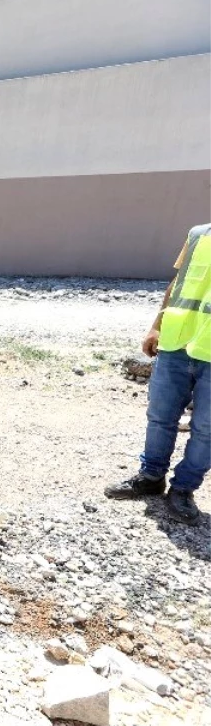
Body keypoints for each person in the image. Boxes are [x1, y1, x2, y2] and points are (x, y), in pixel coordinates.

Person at [103, 224, 211, 525]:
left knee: (207, 429)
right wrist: (156, 324)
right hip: (178, 342)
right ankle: (151, 477)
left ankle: (184, 489)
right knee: (160, 416)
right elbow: (178, 283)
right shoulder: (199, 234)